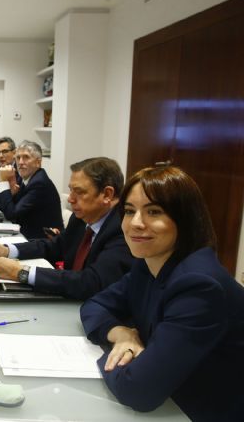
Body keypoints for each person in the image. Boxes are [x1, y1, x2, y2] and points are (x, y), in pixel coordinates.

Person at [80, 166, 244, 421]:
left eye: (154, 212)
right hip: (171, 402)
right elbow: (94, 304)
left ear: (185, 218)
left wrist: (109, 356)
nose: (136, 223)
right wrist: (122, 335)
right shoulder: (150, 263)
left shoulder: (200, 285)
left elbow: (139, 390)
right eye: (130, 211)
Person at [0, 157, 133, 300]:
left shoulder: (124, 229)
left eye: (79, 192)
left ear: (107, 194)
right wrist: (7, 250)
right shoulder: (82, 217)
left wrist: (20, 272)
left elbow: (91, 282)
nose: (70, 198)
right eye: (71, 190)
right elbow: (56, 246)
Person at [0, 141, 63, 239]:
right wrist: (11, 193)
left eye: (26, 157)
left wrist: (3, 183)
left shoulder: (39, 183)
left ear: (38, 162)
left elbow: (11, 215)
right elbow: (3, 209)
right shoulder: (24, 178)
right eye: (18, 158)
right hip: (24, 233)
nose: (20, 162)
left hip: (40, 241)